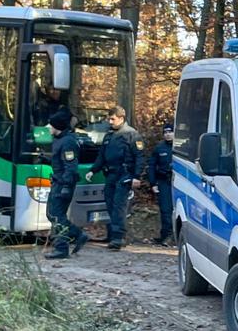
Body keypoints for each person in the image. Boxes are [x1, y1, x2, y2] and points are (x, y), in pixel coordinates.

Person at [86, 107, 144, 250]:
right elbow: (101, 156)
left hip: (124, 175)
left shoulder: (132, 134)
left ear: (121, 118)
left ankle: (118, 238)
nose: (110, 121)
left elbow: (140, 157)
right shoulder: (109, 135)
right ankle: (113, 234)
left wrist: (136, 176)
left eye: (113, 119)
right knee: (110, 204)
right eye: (109, 119)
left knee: (119, 206)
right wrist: (93, 170)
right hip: (111, 174)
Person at [44, 111, 89, 259]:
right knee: (52, 214)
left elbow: (70, 166)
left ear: (57, 126)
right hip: (58, 181)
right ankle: (77, 235)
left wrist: (65, 186)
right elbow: (59, 160)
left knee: (57, 216)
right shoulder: (59, 139)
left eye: (50, 125)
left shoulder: (68, 141)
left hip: (63, 184)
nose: (48, 127)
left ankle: (62, 248)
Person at [149, 124, 175, 246]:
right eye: (165, 132)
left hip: (177, 182)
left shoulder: (180, 147)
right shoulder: (159, 148)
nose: (168, 134)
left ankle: (173, 236)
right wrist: (153, 183)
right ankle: (166, 235)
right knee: (165, 209)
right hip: (163, 181)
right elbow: (152, 166)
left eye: (170, 131)